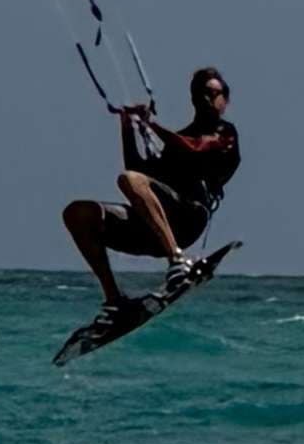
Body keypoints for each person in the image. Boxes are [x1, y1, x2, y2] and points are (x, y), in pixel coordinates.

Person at [62, 67, 241, 323]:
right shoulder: (177, 140)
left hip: (189, 218)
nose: (208, 99)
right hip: (152, 226)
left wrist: (151, 125)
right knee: (77, 213)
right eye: (202, 94)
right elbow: (138, 171)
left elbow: (197, 149)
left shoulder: (225, 133)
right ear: (193, 98)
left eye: (215, 94)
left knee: (129, 180)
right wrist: (127, 126)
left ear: (225, 99)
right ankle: (114, 299)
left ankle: (177, 260)